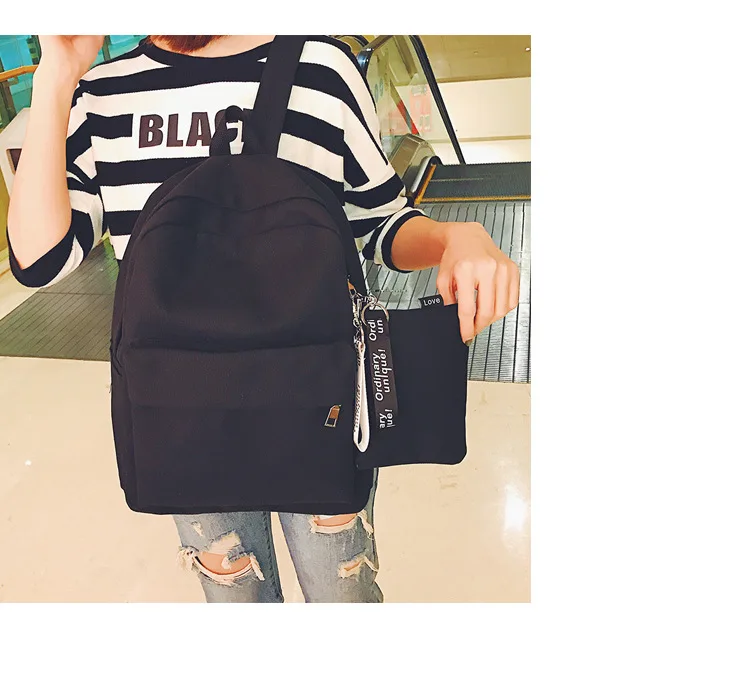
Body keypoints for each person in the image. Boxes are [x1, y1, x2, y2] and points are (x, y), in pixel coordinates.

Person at [6, 34, 520, 603]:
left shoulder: (320, 67)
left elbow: (378, 221)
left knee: (340, 597)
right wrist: (57, 74)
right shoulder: (101, 94)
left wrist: (452, 237)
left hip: (317, 403)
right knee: (238, 604)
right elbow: (42, 259)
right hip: (184, 414)